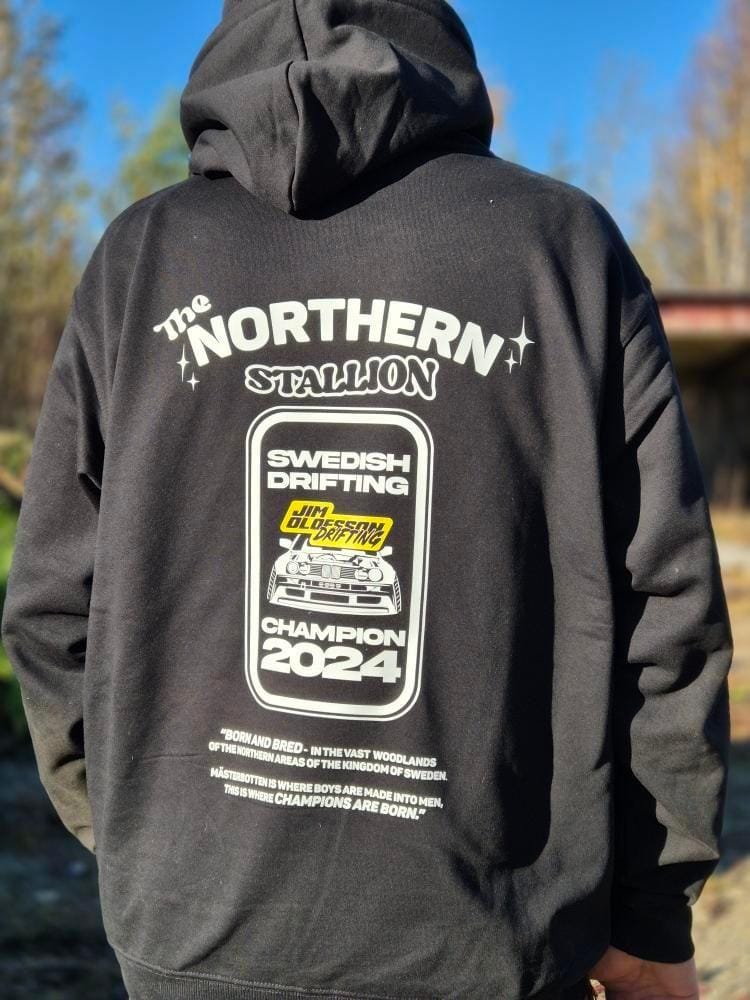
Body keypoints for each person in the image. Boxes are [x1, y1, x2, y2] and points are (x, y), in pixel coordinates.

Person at [1, 0, 733, 998]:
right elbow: (669, 611)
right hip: (491, 939)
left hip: (192, 928)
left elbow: (50, 606)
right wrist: (648, 915)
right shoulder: (561, 250)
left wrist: (141, 834)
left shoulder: (141, 259)